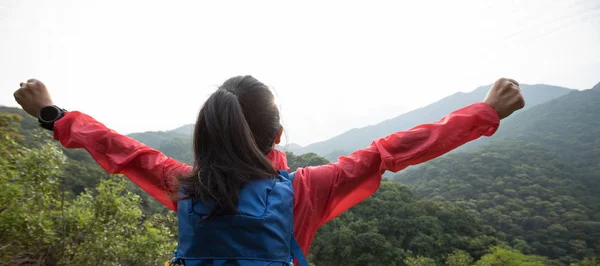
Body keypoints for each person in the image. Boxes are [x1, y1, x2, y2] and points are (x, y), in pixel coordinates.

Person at [13, 76, 524, 265]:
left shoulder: (185, 185)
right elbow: (388, 152)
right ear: (278, 136)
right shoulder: (307, 189)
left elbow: (121, 150)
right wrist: (483, 114)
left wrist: (52, 115)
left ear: (207, 133)